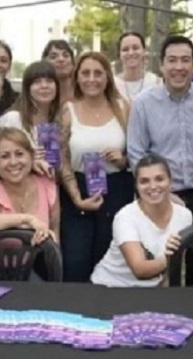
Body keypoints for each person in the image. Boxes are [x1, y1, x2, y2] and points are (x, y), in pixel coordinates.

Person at [59, 52, 134, 282]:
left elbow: (138, 151)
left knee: (108, 260)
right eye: (85, 73)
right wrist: (76, 198)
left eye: (98, 73)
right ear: (77, 77)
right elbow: (61, 158)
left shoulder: (124, 107)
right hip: (78, 190)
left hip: (116, 189)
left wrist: (123, 160)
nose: (92, 79)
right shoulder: (67, 109)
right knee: (76, 260)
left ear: (108, 77)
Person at [127, 35, 193, 224]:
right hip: (159, 198)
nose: (178, 67)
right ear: (161, 65)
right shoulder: (143, 103)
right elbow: (137, 155)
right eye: (172, 60)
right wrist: (161, 194)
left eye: (185, 60)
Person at [90, 155, 193, 287]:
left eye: (159, 179)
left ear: (170, 182)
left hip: (152, 291)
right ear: (136, 186)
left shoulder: (185, 216)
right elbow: (140, 270)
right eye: (144, 181)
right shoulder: (125, 217)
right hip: (111, 287)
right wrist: (170, 259)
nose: (153, 186)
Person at [0, 127, 59, 244]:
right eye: (5, 156)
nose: (13, 162)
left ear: (31, 156)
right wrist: (27, 219)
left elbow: (56, 237)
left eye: (19, 154)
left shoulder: (47, 185)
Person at [0, 60, 60, 145]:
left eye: (49, 81)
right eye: (37, 82)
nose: (44, 86)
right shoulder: (13, 119)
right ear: (27, 89)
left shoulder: (60, 122)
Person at [114, 32, 160, 101]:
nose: (131, 53)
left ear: (144, 51)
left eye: (135, 48)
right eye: (125, 49)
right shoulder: (112, 85)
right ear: (119, 54)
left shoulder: (156, 83)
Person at [42, 39, 75, 104]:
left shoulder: (85, 92)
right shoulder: (39, 95)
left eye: (65, 55)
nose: (61, 59)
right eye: (53, 57)